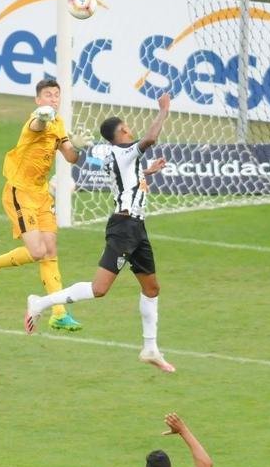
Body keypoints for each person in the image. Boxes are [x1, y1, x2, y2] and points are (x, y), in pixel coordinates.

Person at [25, 93, 175, 371]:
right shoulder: (124, 151)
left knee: (152, 288)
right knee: (99, 289)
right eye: (128, 126)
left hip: (137, 227)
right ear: (124, 131)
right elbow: (150, 139)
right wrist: (164, 110)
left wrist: (148, 172)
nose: (132, 129)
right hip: (124, 228)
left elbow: (127, 181)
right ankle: (40, 302)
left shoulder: (121, 156)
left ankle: (150, 348)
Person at [0, 78, 90, 332]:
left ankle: (59, 313)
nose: (53, 99)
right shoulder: (35, 122)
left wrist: (79, 146)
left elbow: (70, 156)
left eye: (56, 95)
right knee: (37, 252)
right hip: (20, 192)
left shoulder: (58, 123)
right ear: (38, 99)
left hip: (41, 194)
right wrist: (43, 115)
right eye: (48, 95)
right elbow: (38, 123)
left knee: (50, 250)